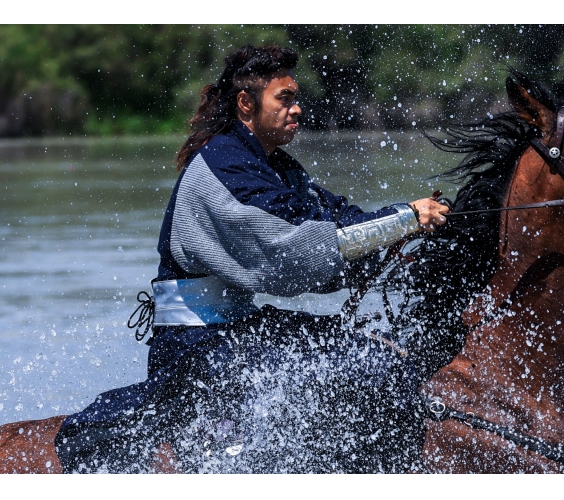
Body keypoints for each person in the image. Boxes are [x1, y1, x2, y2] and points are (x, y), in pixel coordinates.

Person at [53, 44, 450, 473]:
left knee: (378, 361)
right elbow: (297, 249)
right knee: (354, 371)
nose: (297, 109)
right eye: (285, 99)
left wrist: (415, 227)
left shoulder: (276, 167)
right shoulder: (225, 166)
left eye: (297, 99)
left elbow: (337, 219)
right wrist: (403, 220)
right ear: (247, 104)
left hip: (236, 328)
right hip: (193, 343)